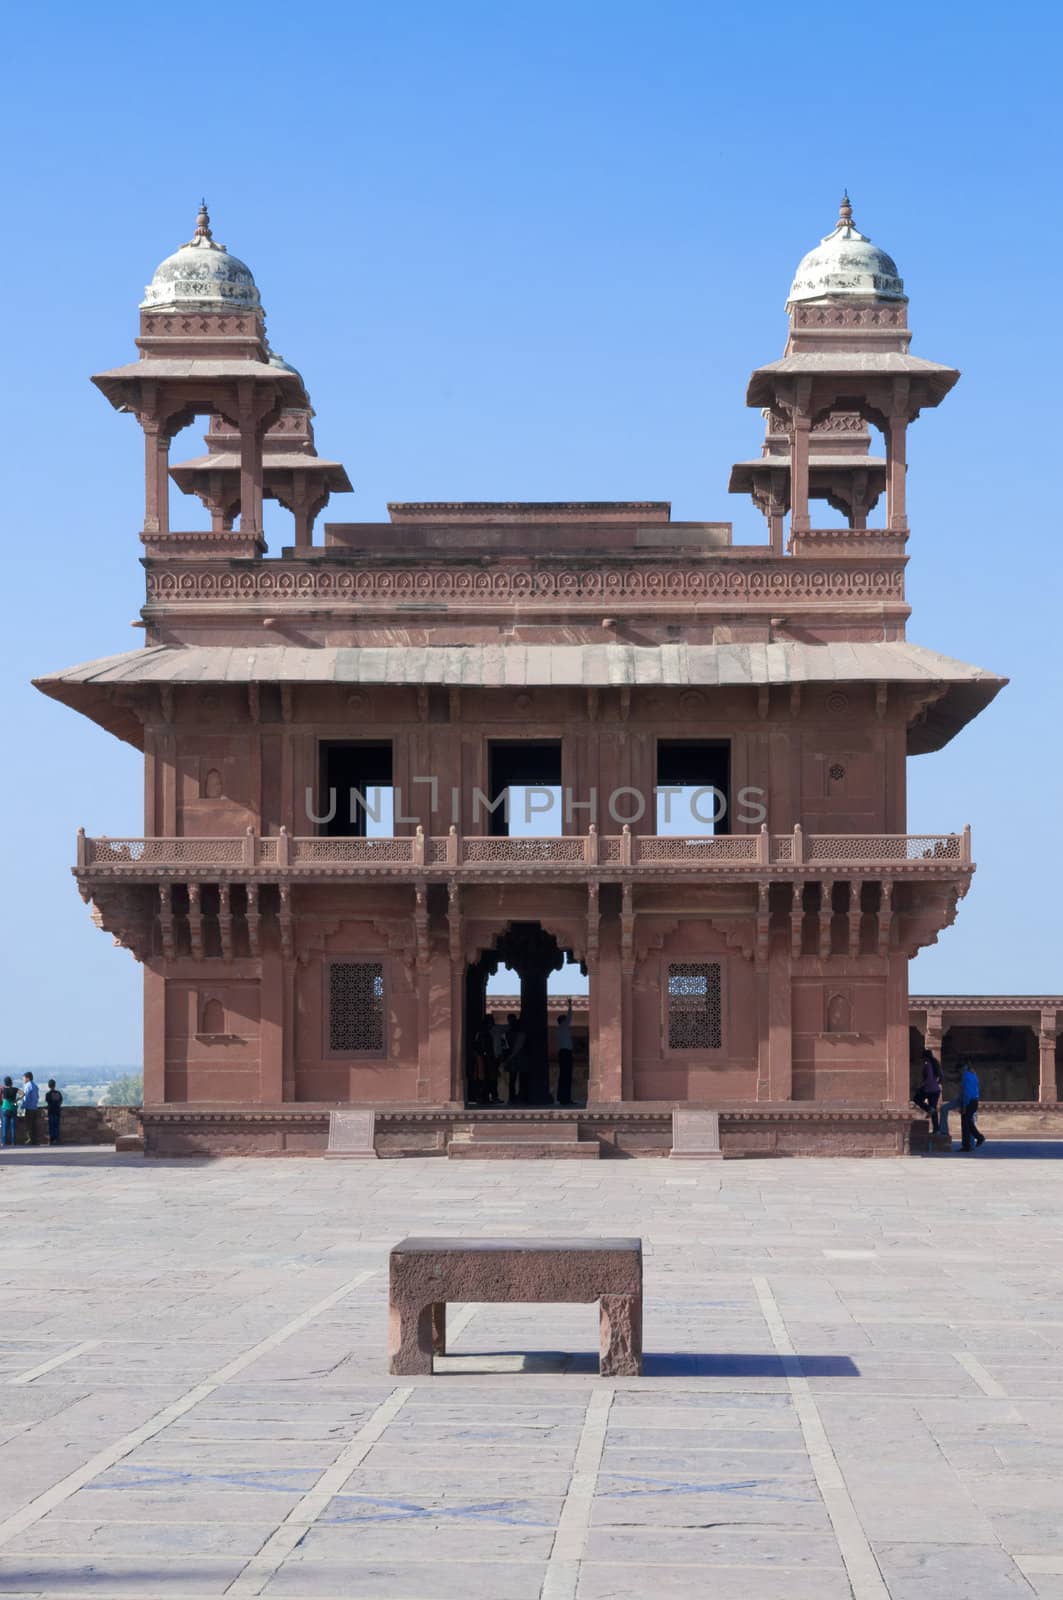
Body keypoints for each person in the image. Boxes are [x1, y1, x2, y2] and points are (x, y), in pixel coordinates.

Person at [912, 1049, 942, 1133]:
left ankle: (928, 1109)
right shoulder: (935, 1064)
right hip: (936, 1090)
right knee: (934, 1109)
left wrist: (923, 1086)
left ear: (925, 1057)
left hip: (929, 1088)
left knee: (916, 1099)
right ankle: (936, 1129)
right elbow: (940, 1076)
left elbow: (928, 1078)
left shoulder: (928, 1064)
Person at [960, 1060, 986, 1152]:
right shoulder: (974, 1075)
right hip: (975, 1101)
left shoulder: (965, 1076)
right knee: (967, 1122)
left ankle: (978, 1138)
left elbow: (966, 1092)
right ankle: (968, 1144)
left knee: (966, 1123)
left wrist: (964, 1105)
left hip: (969, 1102)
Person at [503, 1012, 527, 1104]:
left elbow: (507, 1047)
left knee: (514, 1079)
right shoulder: (513, 1032)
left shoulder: (510, 1032)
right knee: (517, 1079)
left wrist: (507, 1058)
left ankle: (514, 1097)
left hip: (515, 1058)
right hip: (517, 1058)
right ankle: (516, 1097)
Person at [555, 1007, 575, 1106]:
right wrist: (570, 1004)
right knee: (566, 1076)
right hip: (566, 1053)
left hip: (562, 1053)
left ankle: (562, 1097)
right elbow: (570, 1016)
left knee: (563, 1076)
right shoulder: (564, 1026)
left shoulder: (558, 1029)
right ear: (562, 1021)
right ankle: (566, 1098)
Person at [21, 1073, 40, 1147]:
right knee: (34, 1125)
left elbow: (26, 1097)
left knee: (28, 1125)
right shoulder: (35, 1086)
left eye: (24, 1078)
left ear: (27, 1078)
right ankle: (35, 1140)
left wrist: (22, 1106)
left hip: (29, 1108)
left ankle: (29, 1140)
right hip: (34, 1108)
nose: (23, 1080)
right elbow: (37, 1097)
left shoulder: (28, 1086)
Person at [45, 1079, 63, 1146]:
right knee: (56, 1126)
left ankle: (51, 1140)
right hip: (57, 1111)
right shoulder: (58, 1093)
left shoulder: (48, 1094)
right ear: (54, 1085)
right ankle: (56, 1139)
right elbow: (61, 1101)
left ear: (48, 1086)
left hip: (51, 1111)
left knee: (51, 1126)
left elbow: (47, 1101)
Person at [1, 1078, 17, 1147]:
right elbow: (23, 1093)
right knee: (13, 1126)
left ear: (5, 1083)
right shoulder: (15, 1089)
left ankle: (4, 1142)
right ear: (11, 1082)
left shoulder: (3, 1090)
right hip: (13, 1108)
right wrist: (17, 1100)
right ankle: (13, 1142)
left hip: (5, 1108)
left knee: (4, 1126)